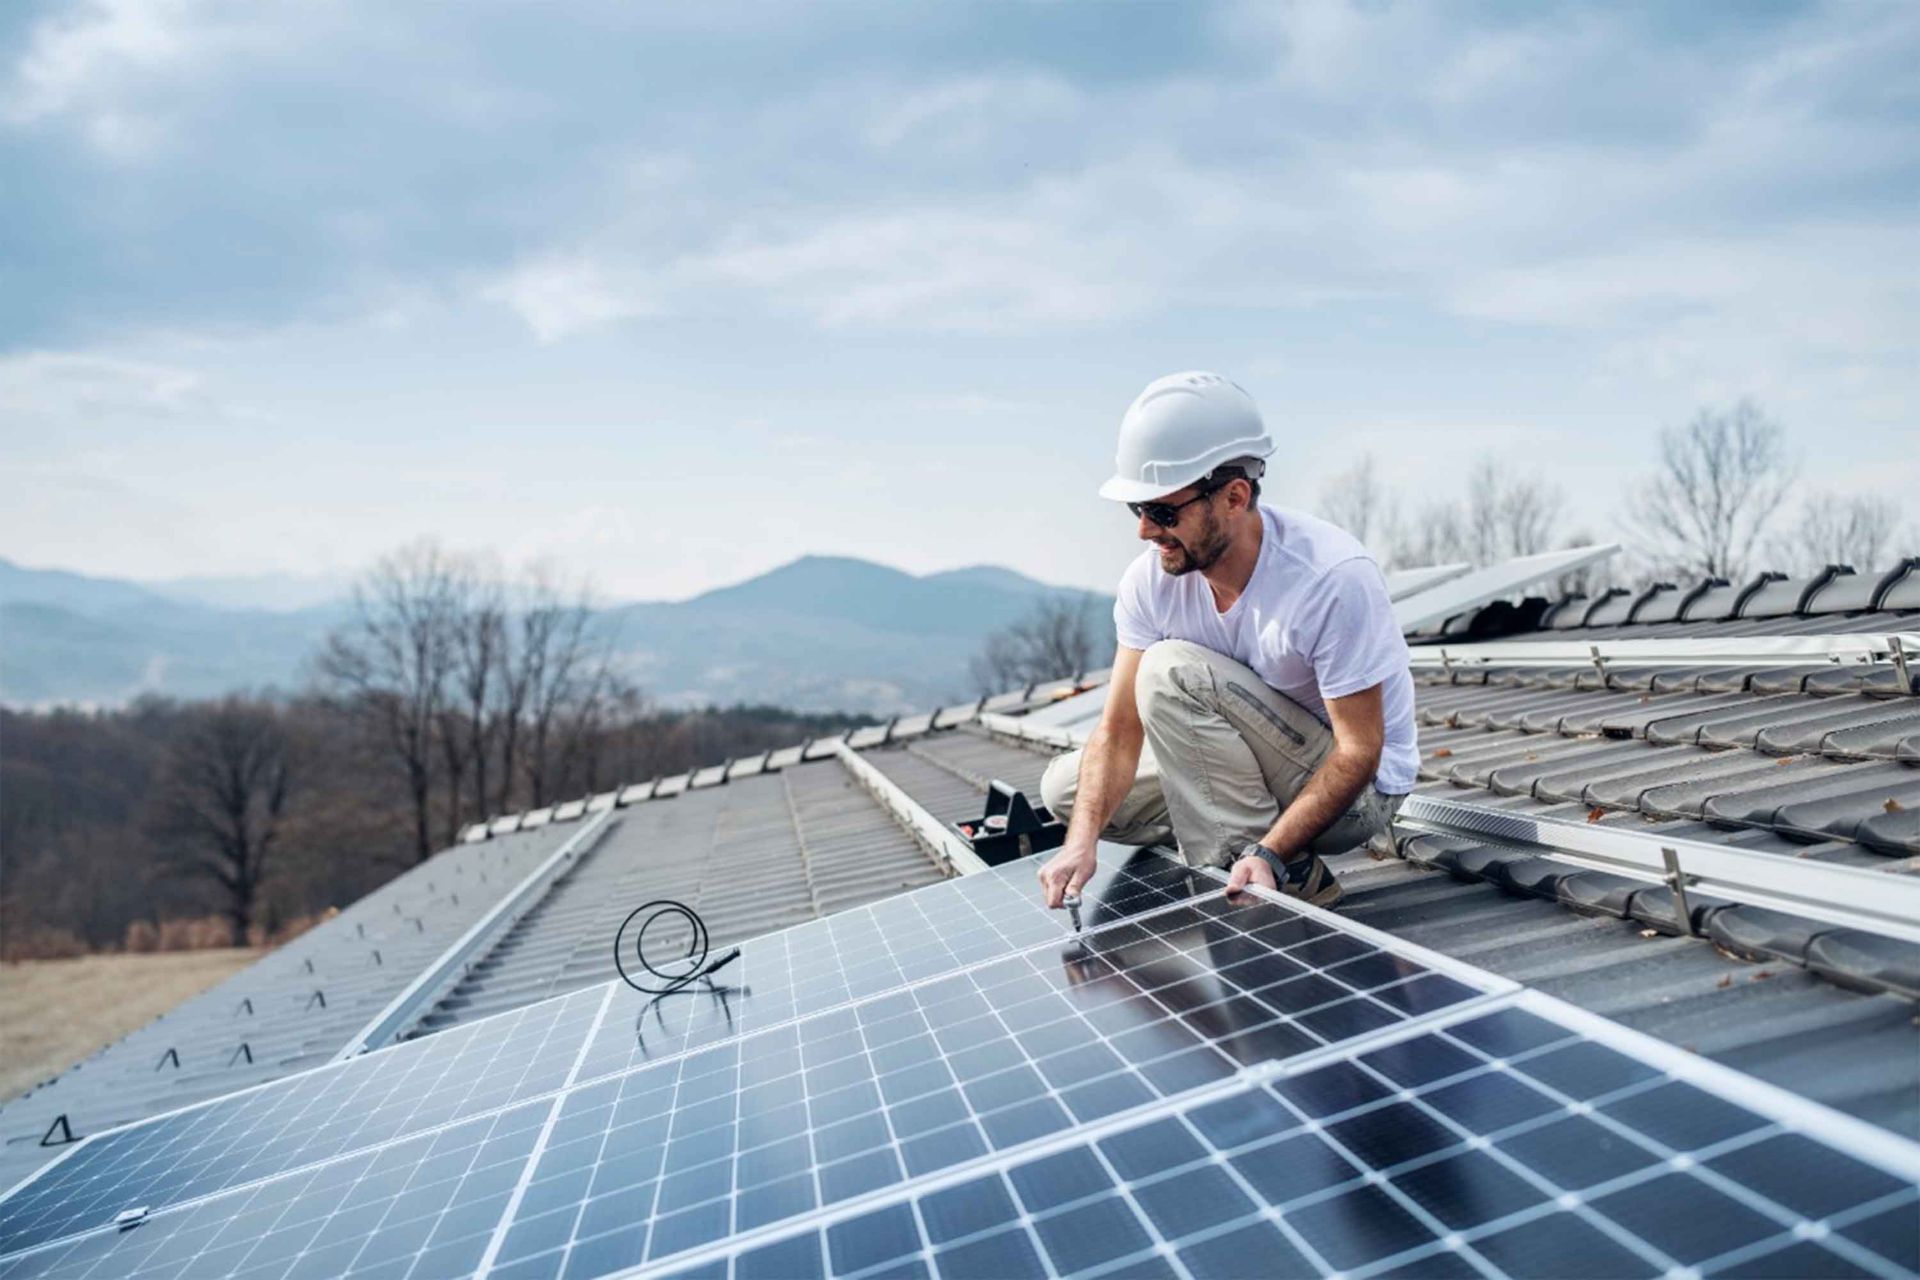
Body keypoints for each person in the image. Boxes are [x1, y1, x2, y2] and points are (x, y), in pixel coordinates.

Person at [1036, 371, 1417, 911]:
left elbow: (1360, 751)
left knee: (1169, 671)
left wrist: (1272, 850)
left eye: (1163, 512)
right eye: (1137, 510)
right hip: (1258, 766)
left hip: (1355, 796)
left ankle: (1273, 873)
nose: (1145, 531)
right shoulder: (1150, 582)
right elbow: (1119, 732)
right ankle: (1234, 835)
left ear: (1234, 497)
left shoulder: (1329, 578)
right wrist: (1080, 844)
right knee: (1070, 794)